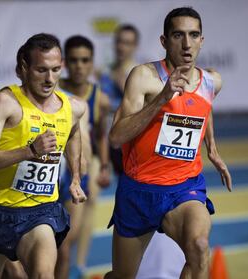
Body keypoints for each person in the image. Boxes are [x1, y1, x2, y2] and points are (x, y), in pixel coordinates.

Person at [106, 7, 232, 279]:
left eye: (193, 35)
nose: (187, 44)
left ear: (202, 40)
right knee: (122, 276)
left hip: (184, 187)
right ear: (164, 41)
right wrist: (162, 98)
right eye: (178, 35)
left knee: (198, 247)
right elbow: (116, 137)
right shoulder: (143, 77)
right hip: (139, 192)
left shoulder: (212, 81)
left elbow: (204, 106)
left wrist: (212, 148)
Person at [0, 33, 87, 278]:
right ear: (25, 68)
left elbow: (73, 133)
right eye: (41, 70)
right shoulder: (6, 103)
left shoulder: (74, 108)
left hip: (40, 212)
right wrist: (29, 151)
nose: (50, 79)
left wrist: (76, 177)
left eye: (55, 70)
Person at [55, 35, 110, 278]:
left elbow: (100, 135)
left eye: (85, 60)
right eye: (74, 60)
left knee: (69, 237)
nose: (79, 66)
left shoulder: (100, 99)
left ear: (91, 63)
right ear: (66, 62)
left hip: (82, 165)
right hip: (52, 166)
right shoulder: (51, 89)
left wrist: (105, 166)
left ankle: (78, 262)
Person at [98, 24, 139, 175]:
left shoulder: (140, 72)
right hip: (104, 136)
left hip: (128, 139)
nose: (121, 47)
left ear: (135, 46)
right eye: (119, 42)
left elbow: (144, 108)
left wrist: (124, 86)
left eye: (127, 43)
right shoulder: (105, 71)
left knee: (129, 184)